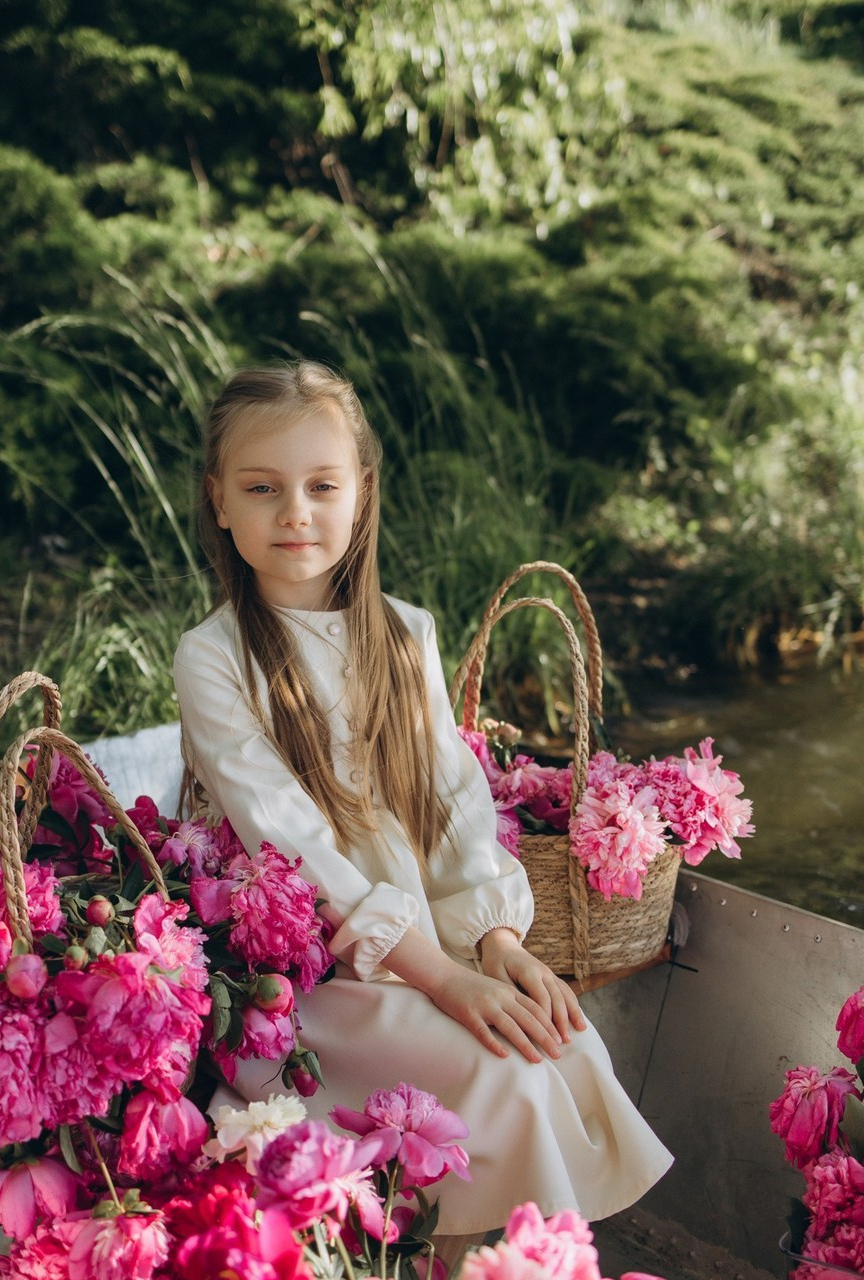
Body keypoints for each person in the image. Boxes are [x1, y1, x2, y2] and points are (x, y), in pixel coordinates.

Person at [172, 361, 673, 1258]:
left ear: (361, 493)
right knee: (505, 1081)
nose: (295, 512)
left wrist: (495, 945)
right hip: (311, 974)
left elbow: (451, 802)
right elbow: (290, 841)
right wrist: (444, 981)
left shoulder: (405, 633)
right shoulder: (213, 659)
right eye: (262, 488)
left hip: (432, 949)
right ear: (218, 501)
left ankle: (505, 1260)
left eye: (322, 485)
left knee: (558, 1046)